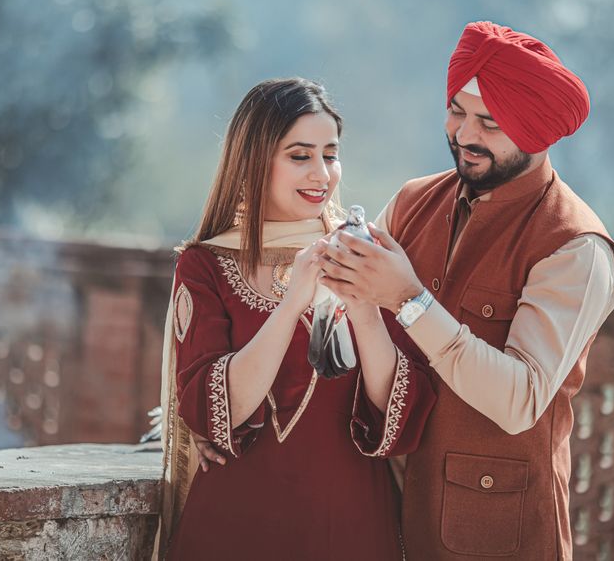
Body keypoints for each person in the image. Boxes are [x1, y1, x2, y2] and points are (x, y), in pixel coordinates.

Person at [317, 21, 614, 560]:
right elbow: (347, 343)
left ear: (536, 131)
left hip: (495, 534)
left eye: (488, 121)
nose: (464, 134)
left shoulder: (576, 246)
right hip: (381, 514)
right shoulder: (413, 201)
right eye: (456, 111)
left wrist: (409, 301)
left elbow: (518, 401)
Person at [156, 77, 436, 561]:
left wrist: (364, 304)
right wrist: (293, 302)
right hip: (233, 527)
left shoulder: (366, 251)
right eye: (300, 155)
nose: (322, 174)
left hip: (349, 524)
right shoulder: (206, 265)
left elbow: (400, 415)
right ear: (254, 160)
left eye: (330, 154)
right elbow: (211, 411)